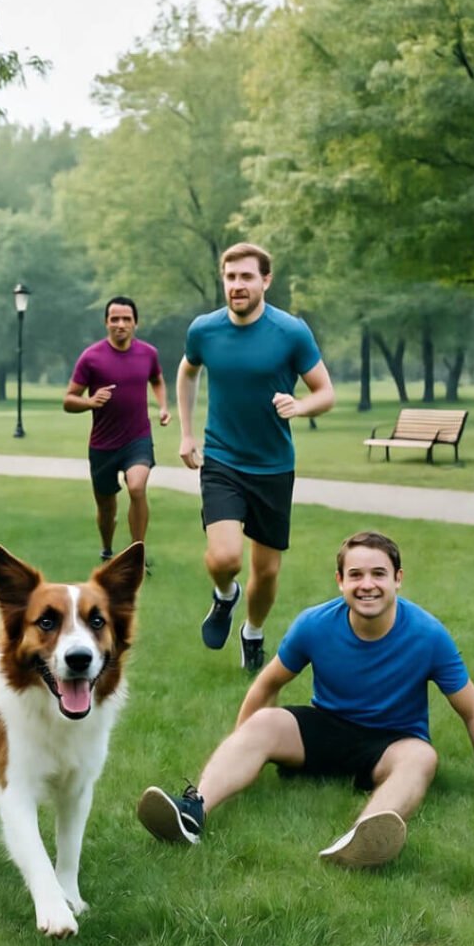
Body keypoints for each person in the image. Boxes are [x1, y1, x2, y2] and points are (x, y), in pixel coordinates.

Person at [136, 531, 474, 868]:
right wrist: (245, 750)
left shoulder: (428, 635)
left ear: (398, 579)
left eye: (379, 574)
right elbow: (265, 684)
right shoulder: (315, 624)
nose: (367, 584)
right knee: (264, 722)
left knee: (423, 757)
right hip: (325, 731)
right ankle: (193, 813)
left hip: (390, 744)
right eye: (355, 574)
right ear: (340, 581)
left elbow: (473, 709)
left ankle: (365, 837)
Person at [177, 243, 335, 672]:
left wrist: (300, 407)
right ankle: (224, 595)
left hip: (273, 466)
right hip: (223, 460)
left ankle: (252, 631)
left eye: (247, 277)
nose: (237, 285)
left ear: (266, 280)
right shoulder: (204, 330)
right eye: (230, 277)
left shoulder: (291, 332)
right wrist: (188, 434)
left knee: (265, 573)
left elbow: (326, 392)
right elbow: (187, 370)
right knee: (226, 558)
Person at [63, 296, 170, 564]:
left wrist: (163, 406)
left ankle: (137, 552)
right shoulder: (91, 358)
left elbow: (157, 379)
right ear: (106, 323)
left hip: (138, 438)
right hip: (103, 445)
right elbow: (68, 400)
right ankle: (108, 548)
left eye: (126, 319)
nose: (120, 324)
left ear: (135, 323)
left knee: (136, 488)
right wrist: (90, 401)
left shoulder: (148, 353)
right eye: (115, 319)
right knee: (106, 507)